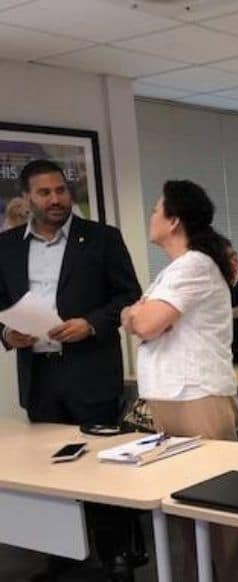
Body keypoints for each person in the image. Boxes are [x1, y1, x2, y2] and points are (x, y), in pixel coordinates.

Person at [0, 160, 143, 581]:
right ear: (27, 198)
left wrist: (92, 323)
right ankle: (61, 554)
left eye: (61, 190)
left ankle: (119, 555)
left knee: (104, 470)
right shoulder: (5, 246)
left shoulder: (101, 239)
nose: (56, 199)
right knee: (51, 472)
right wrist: (7, 334)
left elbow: (128, 295)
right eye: (44, 193)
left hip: (90, 371)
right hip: (40, 376)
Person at [121, 180, 238, 582]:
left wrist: (134, 315)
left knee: (222, 509)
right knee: (179, 505)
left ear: (174, 220)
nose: (151, 216)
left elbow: (143, 321)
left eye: (156, 209)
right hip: (170, 397)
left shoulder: (195, 264)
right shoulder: (176, 269)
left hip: (197, 398)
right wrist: (139, 316)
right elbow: (144, 321)